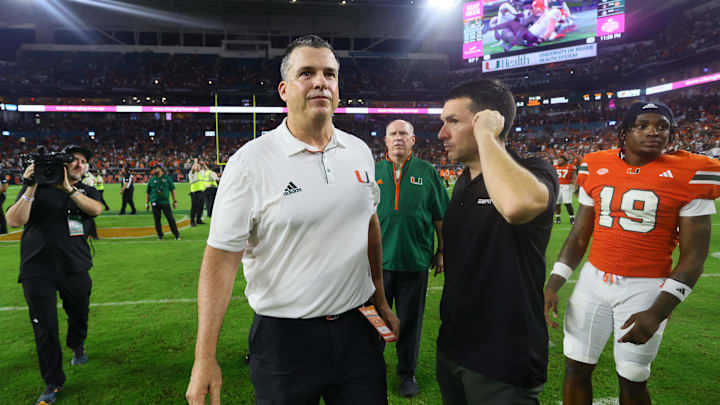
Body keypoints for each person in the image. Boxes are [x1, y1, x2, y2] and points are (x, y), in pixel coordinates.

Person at [186, 34, 399, 405]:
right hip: (284, 341)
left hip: (357, 332)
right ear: (284, 89)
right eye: (307, 73)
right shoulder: (250, 162)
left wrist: (380, 298)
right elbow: (220, 261)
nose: (321, 81)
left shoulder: (360, 152)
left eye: (330, 74)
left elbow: (369, 225)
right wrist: (204, 357)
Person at [544, 101, 720, 405]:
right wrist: (554, 283)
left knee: (633, 377)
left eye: (662, 126)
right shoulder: (595, 163)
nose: (654, 132)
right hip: (592, 281)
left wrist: (658, 311)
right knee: (575, 368)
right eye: (643, 125)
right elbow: (579, 235)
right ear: (625, 132)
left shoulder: (692, 173)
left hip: (646, 287)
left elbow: (693, 260)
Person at [436, 79, 558, 404]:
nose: (441, 134)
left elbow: (517, 206)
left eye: (453, 121)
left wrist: (487, 136)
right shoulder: (463, 182)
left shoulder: (533, 170)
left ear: (487, 119)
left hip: (502, 359)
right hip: (453, 349)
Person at [5, 145, 103, 405]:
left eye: (84, 161)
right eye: (74, 160)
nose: (79, 164)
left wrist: (68, 189)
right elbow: (14, 220)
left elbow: (95, 210)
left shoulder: (85, 190)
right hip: (37, 269)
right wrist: (31, 186)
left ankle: (77, 343)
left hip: (76, 267)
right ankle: (53, 381)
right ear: (63, 164)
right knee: (45, 328)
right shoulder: (36, 187)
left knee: (79, 313)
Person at [375, 119, 449, 397]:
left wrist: (441, 251)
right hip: (378, 265)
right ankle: (373, 369)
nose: (397, 138)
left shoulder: (428, 172)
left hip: (415, 262)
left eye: (403, 133)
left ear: (413, 140)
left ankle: (407, 373)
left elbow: (441, 218)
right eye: (392, 133)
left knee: (409, 322)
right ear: (385, 140)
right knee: (377, 322)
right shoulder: (372, 171)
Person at [145, 165, 180, 240]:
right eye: (153, 169)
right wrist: (147, 203)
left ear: (160, 169)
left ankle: (176, 234)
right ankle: (160, 235)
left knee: (170, 218)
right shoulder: (151, 180)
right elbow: (148, 192)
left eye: (155, 168)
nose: (154, 170)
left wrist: (175, 201)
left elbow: (172, 189)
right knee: (157, 220)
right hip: (154, 202)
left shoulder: (167, 178)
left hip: (165, 202)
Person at [553, 155, 576, 224]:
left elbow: (574, 177)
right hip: (557, 186)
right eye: (558, 160)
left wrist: (575, 185)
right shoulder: (555, 167)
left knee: (567, 203)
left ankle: (572, 218)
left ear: (564, 161)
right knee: (557, 204)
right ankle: (557, 217)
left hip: (566, 186)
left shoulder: (571, 167)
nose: (558, 161)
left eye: (560, 160)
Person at [81, 170, 99, 240]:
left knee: (89, 219)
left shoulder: (87, 178)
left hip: (86, 199)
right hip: (85, 198)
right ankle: (93, 235)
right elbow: (94, 180)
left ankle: (93, 235)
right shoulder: (89, 176)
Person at [188, 159, 205, 226]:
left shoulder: (200, 173)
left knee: (201, 206)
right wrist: (195, 162)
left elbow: (205, 168)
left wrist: (202, 164)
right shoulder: (191, 173)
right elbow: (193, 169)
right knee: (194, 207)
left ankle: (198, 219)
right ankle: (192, 221)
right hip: (195, 192)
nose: (198, 167)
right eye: (197, 166)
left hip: (201, 191)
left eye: (199, 166)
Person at [0, 170, 8, 234]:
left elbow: (5, 186)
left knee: (0, 212)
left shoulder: (1, 174)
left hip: (1, 195)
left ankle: (4, 229)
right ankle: (3, 229)